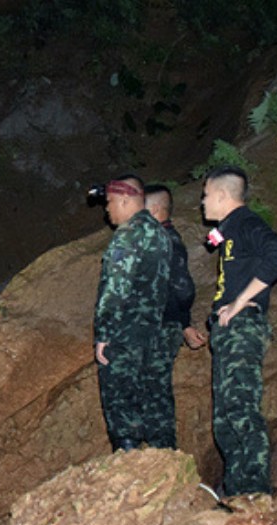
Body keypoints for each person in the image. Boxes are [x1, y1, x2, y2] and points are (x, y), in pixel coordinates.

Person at [200, 165, 277, 496]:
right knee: (226, 418)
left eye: (206, 194)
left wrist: (240, 302)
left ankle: (254, 493)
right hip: (229, 332)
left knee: (240, 410)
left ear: (223, 195)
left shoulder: (247, 223)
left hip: (242, 328)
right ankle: (236, 491)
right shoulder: (231, 228)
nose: (202, 202)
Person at [92, 175, 171, 452]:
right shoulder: (160, 234)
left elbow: (115, 290)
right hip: (153, 334)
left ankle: (127, 459)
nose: (107, 209)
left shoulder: (127, 235)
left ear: (125, 200)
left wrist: (103, 333)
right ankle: (165, 459)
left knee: (122, 403)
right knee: (154, 400)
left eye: (110, 202)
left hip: (124, 334)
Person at [144, 184, 203, 449]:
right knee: (150, 389)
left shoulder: (167, 240)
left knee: (156, 392)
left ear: (155, 210)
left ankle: (164, 453)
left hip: (163, 326)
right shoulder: (155, 239)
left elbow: (182, 287)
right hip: (158, 325)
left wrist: (182, 322)